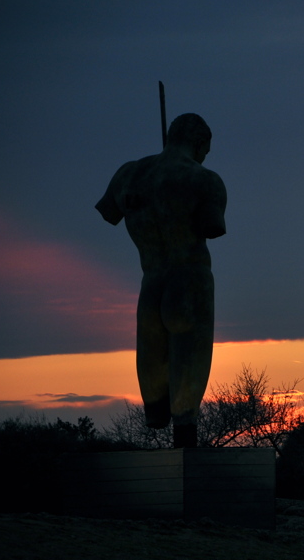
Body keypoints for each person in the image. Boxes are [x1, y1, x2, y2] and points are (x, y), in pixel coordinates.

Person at [96, 113, 227, 448]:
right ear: (199, 143)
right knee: (190, 355)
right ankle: (184, 428)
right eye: (206, 150)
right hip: (190, 281)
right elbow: (211, 227)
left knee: (151, 351)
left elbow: (109, 212)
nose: (204, 157)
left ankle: (155, 411)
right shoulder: (203, 179)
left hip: (151, 282)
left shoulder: (130, 174)